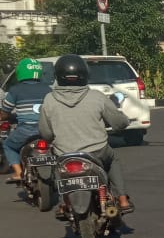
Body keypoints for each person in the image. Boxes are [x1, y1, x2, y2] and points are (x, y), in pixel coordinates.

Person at [38, 54, 133, 214]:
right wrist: (122, 124)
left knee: (58, 167)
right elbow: (119, 122)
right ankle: (122, 199)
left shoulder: (49, 100)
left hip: (65, 154)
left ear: (58, 76)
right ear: (85, 74)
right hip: (98, 152)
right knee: (113, 159)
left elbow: (46, 133)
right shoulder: (97, 97)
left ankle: (63, 203)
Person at [1, 58, 49, 184]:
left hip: (26, 130)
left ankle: (18, 173)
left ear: (19, 72)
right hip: (46, 129)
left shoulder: (15, 90)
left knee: (8, 145)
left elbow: (5, 112)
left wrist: (4, 117)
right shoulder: (48, 89)